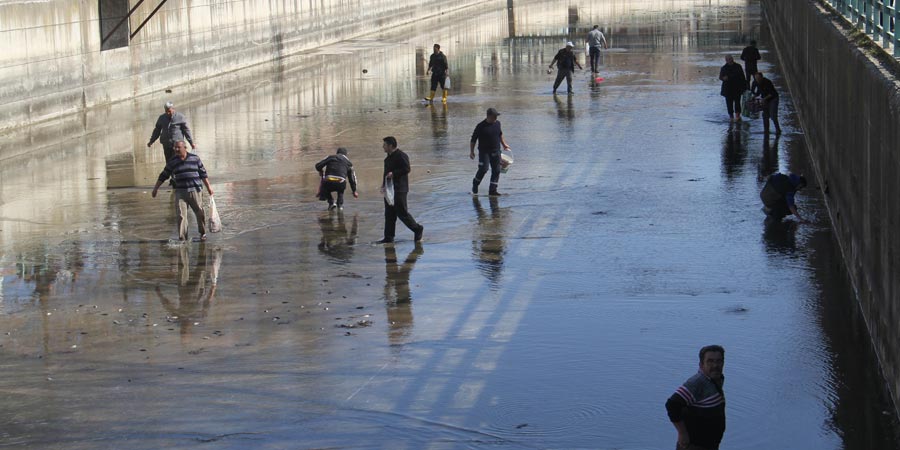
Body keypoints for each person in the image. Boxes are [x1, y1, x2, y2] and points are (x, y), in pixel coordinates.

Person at [665, 345, 726, 450]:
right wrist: (682, 433)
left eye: (719, 361)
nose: (715, 365)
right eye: (710, 361)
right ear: (701, 364)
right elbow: (672, 405)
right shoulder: (697, 383)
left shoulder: (716, 378)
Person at [151, 140, 214, 241]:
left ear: (185, 148)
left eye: (178, 147)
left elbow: (203, 174)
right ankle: (183, 238)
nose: (176, 149)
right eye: (175, 147)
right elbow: (164, 175)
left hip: (195, 190)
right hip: (180, 192)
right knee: (181, 215)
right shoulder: (172, 162)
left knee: (199, 212)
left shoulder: (195, 159)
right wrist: (155, 188)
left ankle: (202, 233)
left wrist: (209, 187)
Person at [376, 136, 424, 244]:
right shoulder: (387, 158)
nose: (383, 147)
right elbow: (385, 174)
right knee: (389, 214)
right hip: (389, 190)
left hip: (400, 189)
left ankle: (417, 229)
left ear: (390, 145)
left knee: (402, 213)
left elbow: (407, 169)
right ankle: (388, 237)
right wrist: (383, 185)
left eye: (384, 145)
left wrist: (394, 174)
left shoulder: (401, 155)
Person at [470, 107, 511, 196]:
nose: (496, 119)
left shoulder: (498, 124)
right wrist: (472, 152)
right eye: (494, 117)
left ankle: (492, 191)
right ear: (488, 116)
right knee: (483, 169)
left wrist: (504, 144)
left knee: (496, 170)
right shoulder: (480, 126)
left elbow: (500, 134)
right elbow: (473, 139)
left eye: (496, 117)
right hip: (484, 152)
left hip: (496, 151)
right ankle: (475, 183)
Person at [718, 56, 746, 122]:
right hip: (728, 89)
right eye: (727, 59)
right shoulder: (724, 68)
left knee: (737, 102)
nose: (729, 60)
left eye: (729, 59)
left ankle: (737, 116)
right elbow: (720, 77)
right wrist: (723, 78)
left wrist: (744, 87)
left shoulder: (738, 66)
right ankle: (731, 117)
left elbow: (742, 77)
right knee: (729, 103)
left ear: (732, 59)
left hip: (737, 88)